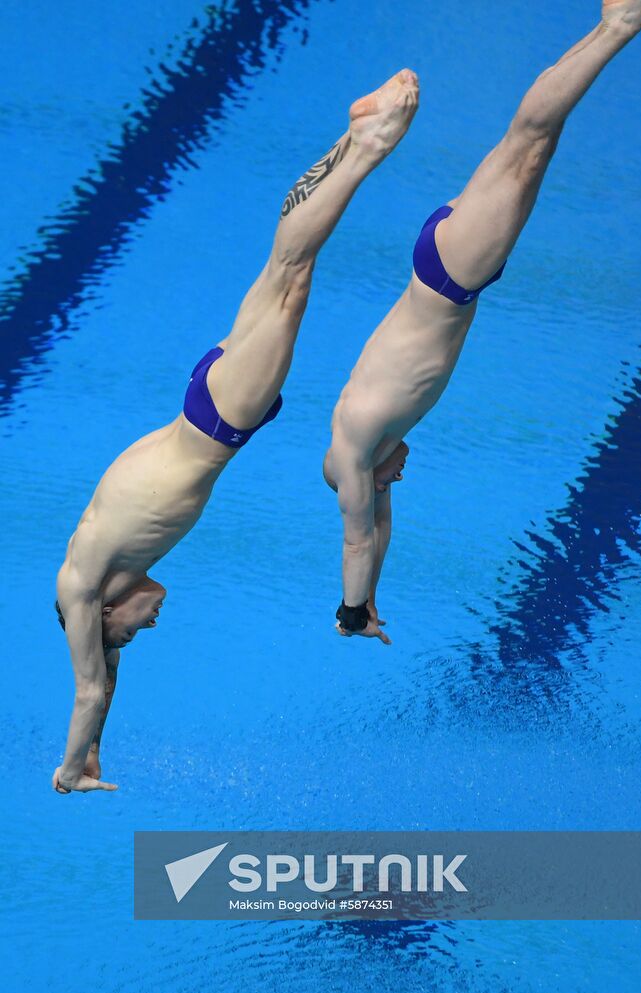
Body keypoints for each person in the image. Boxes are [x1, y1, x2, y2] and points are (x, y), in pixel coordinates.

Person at [52, 70, 420, 793]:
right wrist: (97, 750)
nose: (144, 629)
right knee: (285, 268)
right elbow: (106, 682)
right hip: (204, 402)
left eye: (128, 634)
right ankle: (354, 135)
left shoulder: (82, 587)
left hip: (220, 419)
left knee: (292, 271)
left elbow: (92, 687)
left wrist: (71, 769)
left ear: (105, 617)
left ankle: (370, 143)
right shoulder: (95, 577)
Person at [324, 0, 641, 644]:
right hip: (446, 265)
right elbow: (381, 525)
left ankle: (619, 24)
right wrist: (372, 605)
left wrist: (348, 612)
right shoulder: (358, 447)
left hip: (453, 274)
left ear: (362, 480)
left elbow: (359, 535)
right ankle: (605, 27)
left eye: (388, 481)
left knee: (528, 141)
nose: (401, 473)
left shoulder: (358, 447)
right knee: (533, 144)